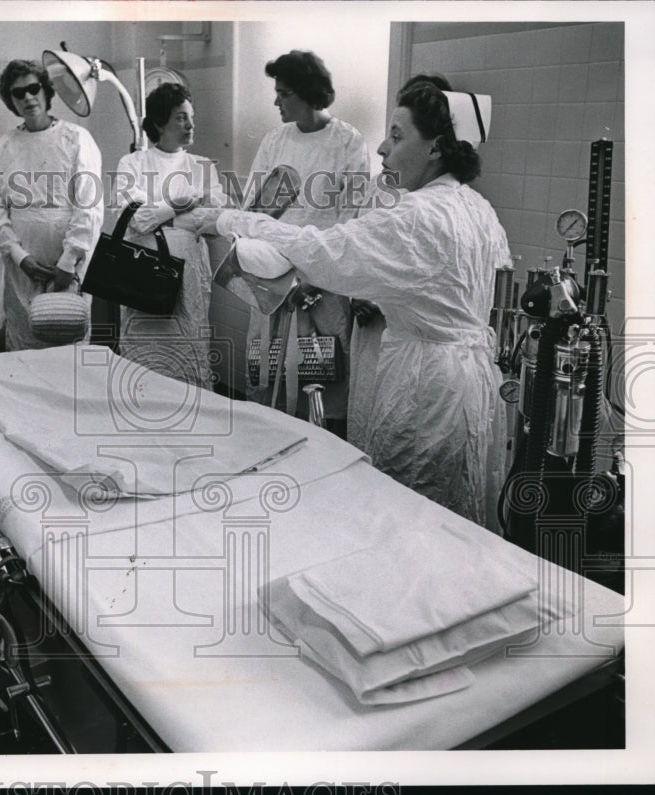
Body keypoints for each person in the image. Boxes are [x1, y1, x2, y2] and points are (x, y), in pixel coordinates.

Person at [182, 83, 508, 530]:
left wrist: (227, 220)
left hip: (424, 384)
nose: (382, 147)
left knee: (409, 510)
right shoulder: (476, 207)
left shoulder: (418, 214)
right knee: (453, 517)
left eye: (396, 135)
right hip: (462, 381)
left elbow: (324, 251)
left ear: (435, 148)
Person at [242, 50, 371, 437]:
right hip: (275, 280)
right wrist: (274, 274)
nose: (275, 101)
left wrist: (312, 277)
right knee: (267, 372)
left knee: (321, 381)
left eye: (284, 94)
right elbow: (254, 209)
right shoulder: (274, 141)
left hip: (322, 285)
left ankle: (322, 452)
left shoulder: (347, 142)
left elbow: (354, 217)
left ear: (308, 94)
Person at [347, 73, 455, 449]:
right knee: (365, 412)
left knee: (402, 429)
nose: (387, 147)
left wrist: (376, 297)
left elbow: (431, 272)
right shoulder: (382, 183)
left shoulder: (446, 199)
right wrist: (354, 292)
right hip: (368, 328)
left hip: (406, 332)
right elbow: (357, 242)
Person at [112, 82, 228, 388]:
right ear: (160, 121)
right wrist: (180, 203)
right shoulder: (133, 163)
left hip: (189, 275)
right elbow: (136, 219)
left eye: (191, 117)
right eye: (180, 117)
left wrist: (161, 212)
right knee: (144, 356)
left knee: (189, 347)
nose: (190, 125)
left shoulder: (202, 167)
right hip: (143, 271)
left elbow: (212, 219)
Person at [0, 59, 103, 352]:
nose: (27, 97)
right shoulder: (4, 147)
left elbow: (89, 205)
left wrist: (68, 259)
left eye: (33, 88)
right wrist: (19, 255)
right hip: (22, 267)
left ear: (46, 92)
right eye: (18, 93)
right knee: (26, 343)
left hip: (68, 265)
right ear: (11, 101)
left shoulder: (76, 138)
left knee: (67, 342)